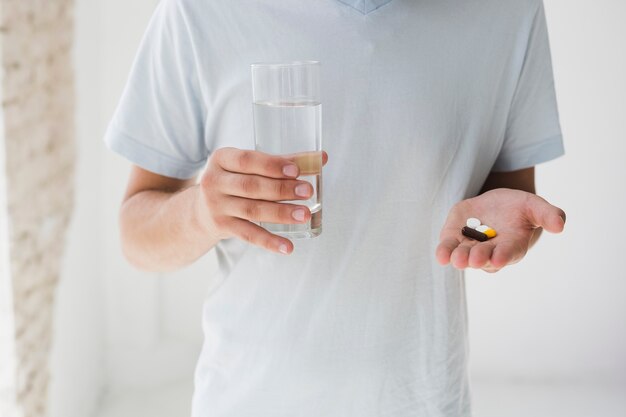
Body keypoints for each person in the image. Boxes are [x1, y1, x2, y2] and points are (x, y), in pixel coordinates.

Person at [104, 0, 566, 415]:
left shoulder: (509, 12)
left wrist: (491, 231)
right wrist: (202, 213)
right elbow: (135, 235)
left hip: (423, 401)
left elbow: (505, 205)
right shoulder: (196, 12)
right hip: (249, 400)